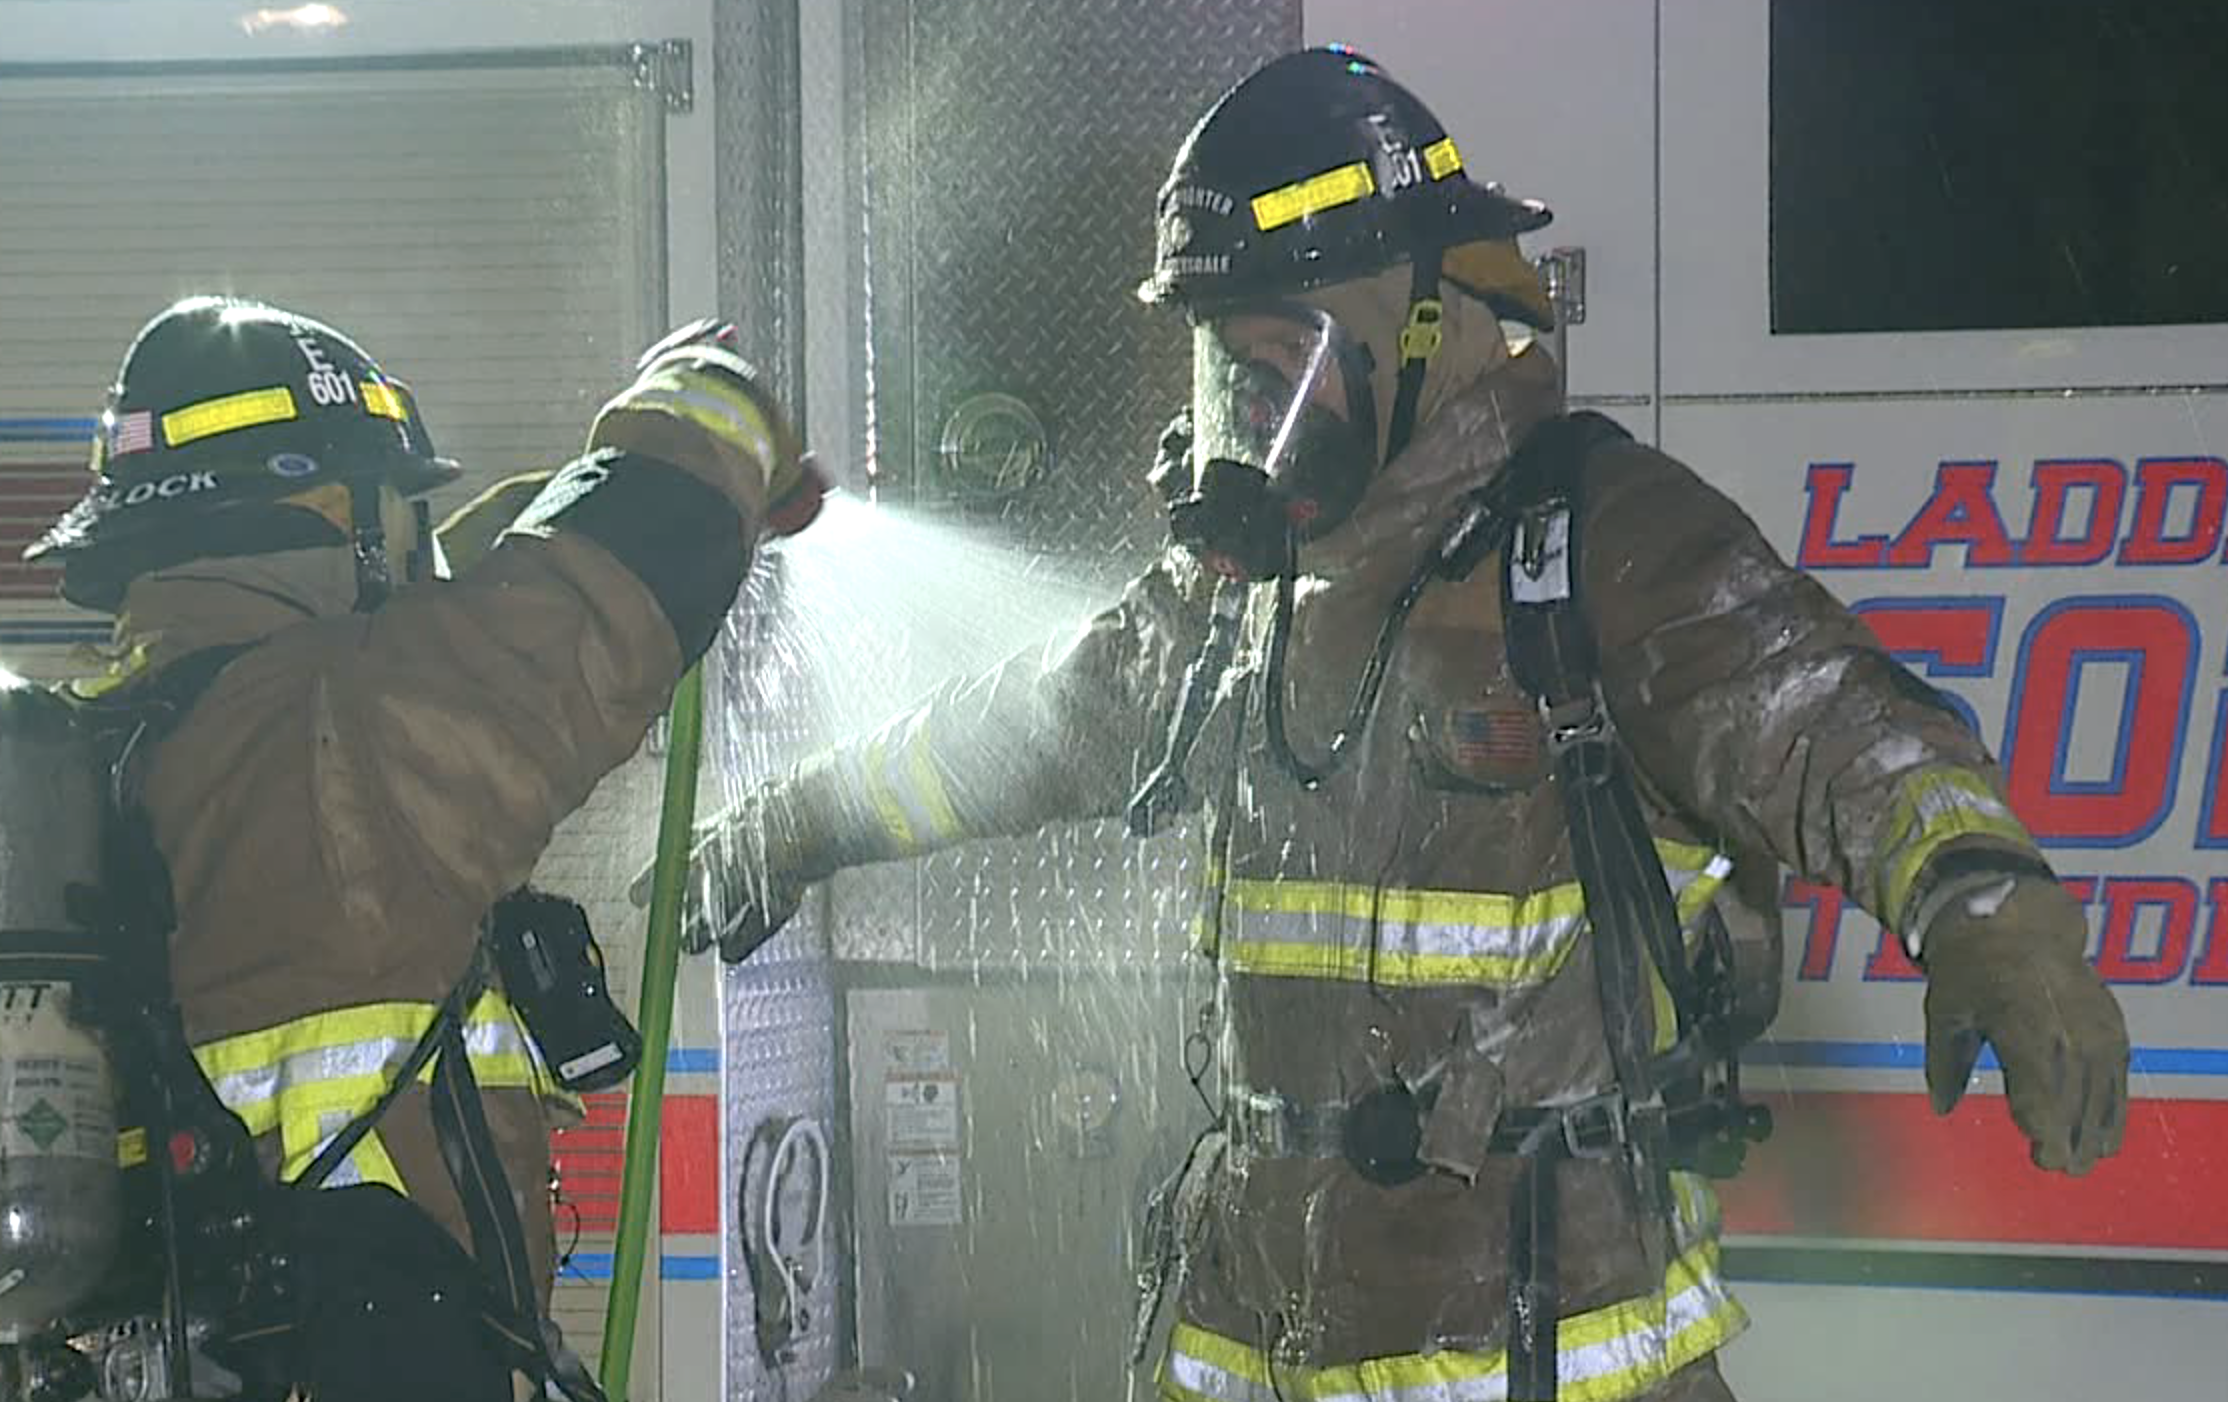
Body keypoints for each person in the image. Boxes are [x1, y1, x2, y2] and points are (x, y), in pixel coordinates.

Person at [680, 48, 2129, 1402]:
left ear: (1420, 328)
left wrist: (1991, 912)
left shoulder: (1598, 543)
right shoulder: (1229, 602)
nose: (1250, 416)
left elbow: (1832, 726)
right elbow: (1021, 730)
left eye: (1282, 362)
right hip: (1256, 1327)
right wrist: (790, 825)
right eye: (1223, 370)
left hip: (1538, 1336)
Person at [22, 296, 816, 1399]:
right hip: (366, 1349)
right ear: (332, 512)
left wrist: (572, 481)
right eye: (393, 511)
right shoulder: (337, 721)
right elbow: (596, 588)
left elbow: (467, 599)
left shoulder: (124, 733)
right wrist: (712, 407)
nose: (411, 544)